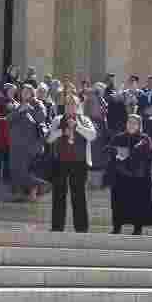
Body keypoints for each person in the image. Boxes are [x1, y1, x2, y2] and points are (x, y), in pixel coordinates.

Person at [47, 94, 96, 232]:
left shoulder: (84, 119)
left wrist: (77, 127)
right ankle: (57, 228)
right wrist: (62, 131)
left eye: (73, 104)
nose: (70, 106)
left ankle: (81, 229)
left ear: (78, 105)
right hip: (60, 163)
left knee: (79, 196)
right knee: (58, 196)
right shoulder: (57, 119)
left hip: (79, 163)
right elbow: (49, 138)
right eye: (68, 104)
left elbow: (92, 135)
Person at [106, 113, 152, 235]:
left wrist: (133, 153)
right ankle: (117, 227)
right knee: (118, 203)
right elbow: (109, 152)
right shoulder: (118, 137)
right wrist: (116, 153)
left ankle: (137, 228)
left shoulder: (144, 139)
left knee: (137, 204)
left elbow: (150, 156)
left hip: (138, 178)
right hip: (120, 178)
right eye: (129, 122)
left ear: (139, 125)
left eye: (134, 123)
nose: (131, 125)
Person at [7, 83, 48, 200]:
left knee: (23, 171)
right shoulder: (19, 105)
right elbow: (8, 120)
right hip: (16, 144)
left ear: (32, 93)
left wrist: (30, 112)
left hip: (29, 145)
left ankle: (40, 184)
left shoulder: (38, 105)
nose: (24, 94)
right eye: (23, 92)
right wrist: (20, 110)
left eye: (27, 92)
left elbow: (41, 121)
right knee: (15, 170)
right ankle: (20, 194)